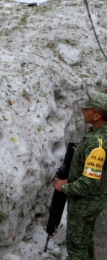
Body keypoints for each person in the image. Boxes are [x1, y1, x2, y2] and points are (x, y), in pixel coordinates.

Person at [53, 89, 107, 260]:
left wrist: (66, 187)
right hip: (93, 199)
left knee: (76, 248)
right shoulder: (99, 134)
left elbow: (88, 182)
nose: (83, 111)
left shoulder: (96, 144)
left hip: (85, 203)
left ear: (97, 116)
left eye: (87, 108)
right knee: (85, 241)